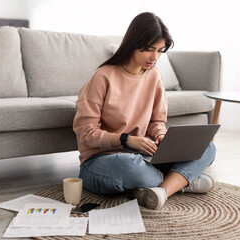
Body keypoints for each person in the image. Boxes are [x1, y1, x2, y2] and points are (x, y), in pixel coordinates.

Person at [73, 12, 216, 210]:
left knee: (208, 147)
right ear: (132, 43)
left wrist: (161, 136)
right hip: (101, 161)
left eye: (160, 50)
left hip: (142, 156)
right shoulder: (103, 77)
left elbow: (156, 122)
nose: (154, 57)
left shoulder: (154, 76)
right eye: (149, 49)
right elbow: (86, 133)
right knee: (130, 166)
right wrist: (125, 139)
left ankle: (161, 190)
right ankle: (180, 182)